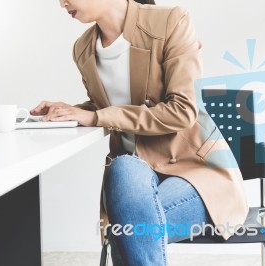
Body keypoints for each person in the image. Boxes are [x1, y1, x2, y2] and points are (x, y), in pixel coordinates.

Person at [31, 0, 249, 265]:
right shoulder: (83, 49)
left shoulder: (171, 22)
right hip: (131, 178)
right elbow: (107, 105)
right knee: (123, 168)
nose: (61, 2)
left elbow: (182, 110)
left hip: (197, 173)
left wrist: (98, 116)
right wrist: (70, 111)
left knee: (127, 227)